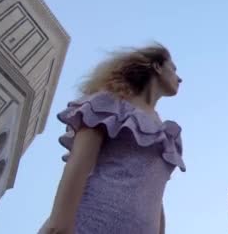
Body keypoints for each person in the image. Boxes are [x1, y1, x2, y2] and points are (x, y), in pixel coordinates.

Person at [39, 44, 185, 234]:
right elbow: (79, 164)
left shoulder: (167, 135)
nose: (179, 78)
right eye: (173, 69)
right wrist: (59, 226)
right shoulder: (109, 104)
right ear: (157, 66)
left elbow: (155, 195)